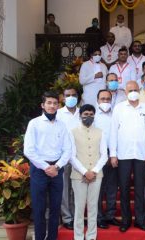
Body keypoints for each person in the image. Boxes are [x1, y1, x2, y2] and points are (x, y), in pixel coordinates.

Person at [109, 81, 145, 232]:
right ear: (125, 91)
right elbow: (113, 133)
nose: (134, 92)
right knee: (123, 189)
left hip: (141, 155)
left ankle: (140, 220)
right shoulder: (118, 108)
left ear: (140, 90)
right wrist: (113, 154)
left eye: (136, 90)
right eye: (131, 90)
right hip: (123, 154)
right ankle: (125, 220)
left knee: (139, 188)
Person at [24, 91, 72, 240]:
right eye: (49, 103)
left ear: (58, 105)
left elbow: (67, 149)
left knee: (55, 208)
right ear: (43, 105)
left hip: (57, 170)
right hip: (39, 170)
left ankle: (52, 237)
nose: (52, 106)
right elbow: (28, 150)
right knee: (39, 209)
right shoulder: (34, 123)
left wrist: (56, 167)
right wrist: (46, 167)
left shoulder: (62, 126)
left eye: (55, 103)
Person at [70, 104, 107, 240]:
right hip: (78, 175)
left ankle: (91, 236)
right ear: (80, 115)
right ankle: (78, 237)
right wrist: (85, 172)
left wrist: (94, 171)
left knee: (93, 207)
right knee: (79, 208)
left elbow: (104, 155)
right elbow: (71, 156)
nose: (88, 117)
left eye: (91, 115)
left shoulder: (100, 132)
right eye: (86, 114)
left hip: (97, 176)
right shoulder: (72, 132)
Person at [94, 90, 121, 229]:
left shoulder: (116, 114)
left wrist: (114, 154)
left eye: (107, 99)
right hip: (98, 155)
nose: (105, 101)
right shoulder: (93, 116)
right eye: (102, 99)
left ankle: (110, 215)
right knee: (98, 187)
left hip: (113, 154)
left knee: (112, 186)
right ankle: (99, 217)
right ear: (97, 100)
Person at [56, 87, 81, 230]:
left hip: (79, 156)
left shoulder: (82, 112)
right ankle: (67, 218)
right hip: (63, 157)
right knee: (64, 188)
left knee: (76, 188)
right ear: (63, 98)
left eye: (73, 95)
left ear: (77, 97)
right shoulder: (58, 114)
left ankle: (76, 216)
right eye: (68, 95)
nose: (71, 97)